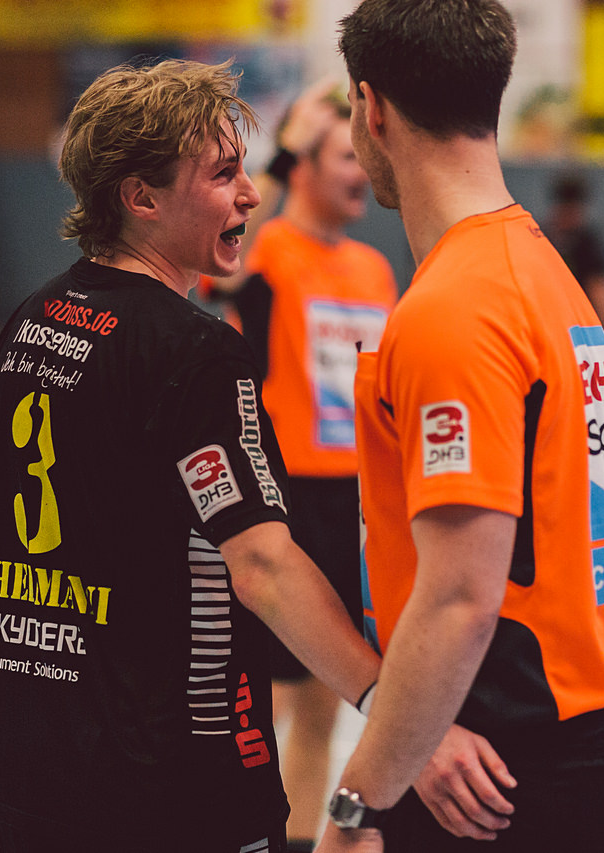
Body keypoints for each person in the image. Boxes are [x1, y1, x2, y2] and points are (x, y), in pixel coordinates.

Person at [0, 59, 386, 852]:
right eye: (224, 174)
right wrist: (393, 703)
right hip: (168, 777)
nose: (250, 195)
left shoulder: (29, 321)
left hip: (30, 768)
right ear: (142, 197)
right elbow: (262, 566)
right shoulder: (193, 353)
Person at [319, 1, 604, 850]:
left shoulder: (457, 306)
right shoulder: (539, 270)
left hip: (493, 763)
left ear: (371, 108)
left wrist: (357, 805)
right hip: (557, 737)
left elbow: (461, 597)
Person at [208, 83, 398, 852]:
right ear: (307, 167)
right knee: (264, 705)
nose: (361, 170)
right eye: (344, 154)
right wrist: (287, 147)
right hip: (286, 501)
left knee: (322, 706)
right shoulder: (270, 247)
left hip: (357, 504)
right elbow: (224, 268)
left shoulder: (374, 268)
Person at [543, 171, 604, 382]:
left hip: (546, 335)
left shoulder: (539, 235)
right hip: (577, 337)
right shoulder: (587, 241)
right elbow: (602, 292)